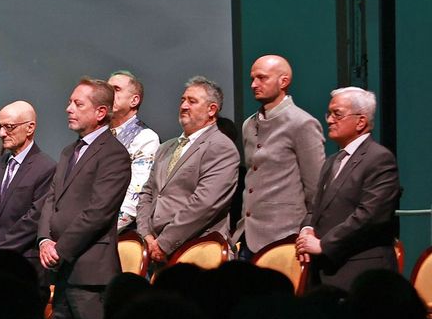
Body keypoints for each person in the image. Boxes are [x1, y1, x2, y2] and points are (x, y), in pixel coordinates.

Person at [37, 78, 132, 319]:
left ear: (101, 112)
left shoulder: (113, 154)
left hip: (90, 273)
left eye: (78, 104)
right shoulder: (69, 151)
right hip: (62, 271)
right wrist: (45, 239)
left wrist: (60, 248)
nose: (69, 109)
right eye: (70, 102)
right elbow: (52, 199)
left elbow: (98, 212)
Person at [296, 87, 401, 291]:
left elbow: (370, 216)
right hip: (324, 272)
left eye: (337, 114)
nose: (329, 120)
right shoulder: (332, 161)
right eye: (329, 113)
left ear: (361, 121)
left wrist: (323, 245)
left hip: (361, 272)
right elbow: (316, 207)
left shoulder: (379, 158)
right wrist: (307, 228)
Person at [135, 77, 240, 266]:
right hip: (155, 251)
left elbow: (204, 203)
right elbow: (147, 194)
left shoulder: (221, 147)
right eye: (183, 100)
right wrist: (146, 235)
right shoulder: (165, 147)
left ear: (212, 110)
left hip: (197, 251)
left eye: (192, 101)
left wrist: (164, 243)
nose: (184, 106)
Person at [238, 55, 325, 255]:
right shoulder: (249, 124)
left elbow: (316, 187)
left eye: (262, 78)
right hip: (248, 234)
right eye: (252, 78)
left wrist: (308, 228)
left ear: (283, 81)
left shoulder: (302, 123)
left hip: (284, 235)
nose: (253, 84)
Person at [0, 100, 57, 264]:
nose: (2, 133)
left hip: (24, 262)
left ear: (30, 128)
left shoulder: (46, 167)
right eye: (0, 127)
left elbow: (33, 219)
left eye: (9, 127)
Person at [107, 70, 159, 232]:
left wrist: (97, 233)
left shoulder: (145, 138)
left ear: (134, 100)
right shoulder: (96, 136)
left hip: (118, 234)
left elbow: (135, 196)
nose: (108, 95)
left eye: (116, 89)